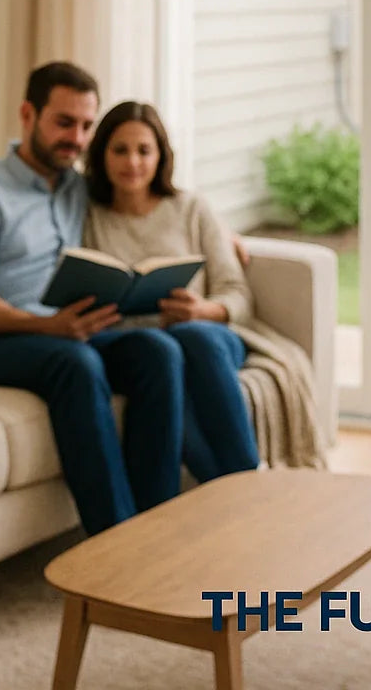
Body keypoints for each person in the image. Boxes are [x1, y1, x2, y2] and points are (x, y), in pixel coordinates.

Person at [0, 63, 185, 536]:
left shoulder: (77, 187)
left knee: (158, 351)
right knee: (76, 363)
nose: (77, 138)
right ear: (28, 115)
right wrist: (47, 325)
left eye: (87, 126)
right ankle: (116, 542)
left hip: (68, 332)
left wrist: (226, 236)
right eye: (64, 122)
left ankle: (159, 528)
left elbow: (151, 193)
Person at [83, 100, 327, 482]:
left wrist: (203, 310)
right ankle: (239, 492)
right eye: (120, 150)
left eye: (144, 150)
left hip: (210, 339)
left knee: (190, 336)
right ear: (101, 154)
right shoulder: (88, 214)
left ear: (161, 155)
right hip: (145, 353)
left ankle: (246, 477)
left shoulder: (190, 208)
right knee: (168, 369)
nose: (132, 162)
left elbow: (237, 295)